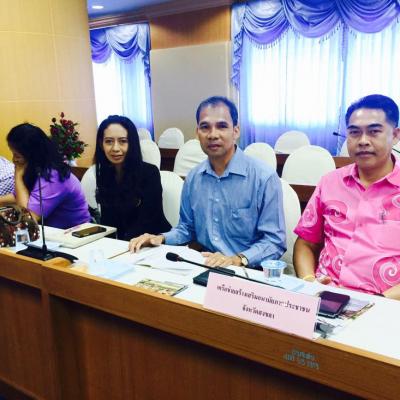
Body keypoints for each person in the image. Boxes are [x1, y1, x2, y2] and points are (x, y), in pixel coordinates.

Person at [129, 96, 286, 268]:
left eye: (222, 126)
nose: (212, 135)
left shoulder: (263, 178)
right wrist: (160, 238)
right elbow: (186, 229)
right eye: (205, 127)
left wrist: (237, 259)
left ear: (236, 131)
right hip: (203, 266)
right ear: (197, 133)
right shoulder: (194, 178)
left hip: (247, 271)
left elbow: (274, 241)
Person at [294, 94, 400, 299]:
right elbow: (305, 243)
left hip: (386, 304)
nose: (363, 141)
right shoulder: (330, 182)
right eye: (354, 133)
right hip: (324, 296)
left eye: (374, 132)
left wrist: (380, 302)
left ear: (395, 135)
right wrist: (309, 283)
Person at [81, 115, 171, 241]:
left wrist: (123, 244)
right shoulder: (103, 174)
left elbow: (150, 219)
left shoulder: (150, 173)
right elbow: (109, 222)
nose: (115, 148)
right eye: (109, 141)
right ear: (101, 144)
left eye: (123, 141)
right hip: (123, 245)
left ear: (132, 143)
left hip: (153, 241)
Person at [0, 123, 90, 229]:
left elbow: (28, 218)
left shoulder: (53, 176)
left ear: (31, 155)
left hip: (74, 233)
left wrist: (18, 176)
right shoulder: (36, 168)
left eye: (17, 155)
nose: (14, 159)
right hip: (52, 231)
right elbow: (19, 196)